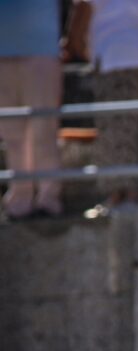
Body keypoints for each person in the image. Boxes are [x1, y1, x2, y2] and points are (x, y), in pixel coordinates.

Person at [64, 0, 138, 215]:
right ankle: (135, 194)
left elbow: (78, 27)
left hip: (114, 59)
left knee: (115, 130)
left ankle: (122, 196)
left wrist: (84, 51)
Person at [0, 0, 63, 220]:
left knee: (44, 128)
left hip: (41, 50)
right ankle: (20, 197)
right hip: (3, 51)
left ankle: (48, 196)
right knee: (12, 134)